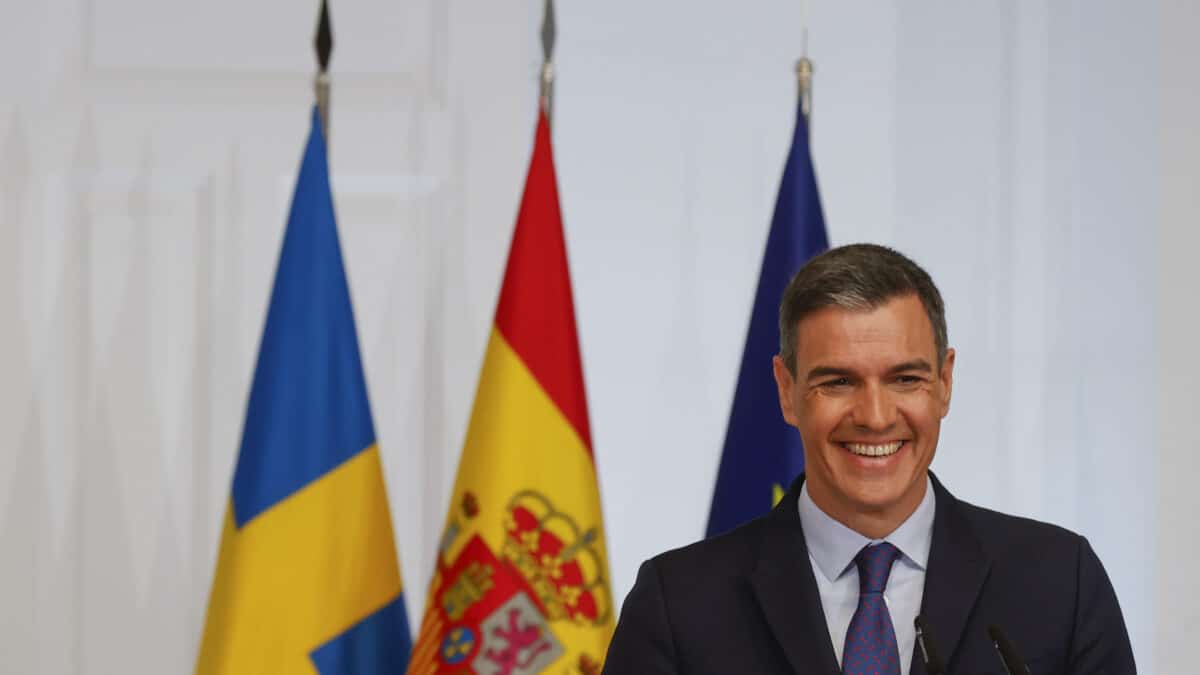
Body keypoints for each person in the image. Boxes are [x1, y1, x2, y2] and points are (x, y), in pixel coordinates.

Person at [602, 244, 1135, 674]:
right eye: (838, 381)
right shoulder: (680, 603)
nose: (876, 417)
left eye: (906, 379)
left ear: (945, 382)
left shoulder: (1061, 582)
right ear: (787, 392)